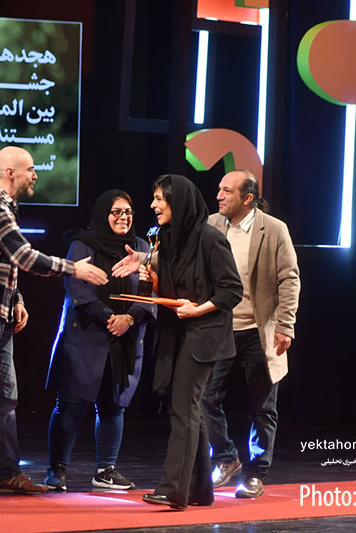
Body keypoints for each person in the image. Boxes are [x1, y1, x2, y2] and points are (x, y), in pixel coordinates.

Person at [0, 146, 108, 496]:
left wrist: (17, 299)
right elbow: (23, 255)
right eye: (30, 169)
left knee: (5, 396)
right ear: (11, 173)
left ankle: (6, 473)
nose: (35, 175)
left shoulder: (6, 206)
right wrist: (73, 268)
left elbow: (2, 262)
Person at [113, 174, 242, 510]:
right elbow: (174, 288)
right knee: (186, 408)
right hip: (177, 333)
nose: (153, 205)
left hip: (204, 335)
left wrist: (198, 308)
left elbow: (231, 290)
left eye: (160, 199)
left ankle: (172, 489)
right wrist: (151, 277)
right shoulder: (167, 240)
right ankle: (200, 490)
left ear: (178, 201)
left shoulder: (210, 239)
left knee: (184, 409)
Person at [44, 190, 156, 492]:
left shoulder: (142, 248)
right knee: (70, 405)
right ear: (103, 213)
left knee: (114, 406)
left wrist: (128, 318)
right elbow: (77, 288)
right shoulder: (82, 243)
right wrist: (110, 318)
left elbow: (150, 292)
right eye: (116, 211)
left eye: (128, 212)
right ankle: (57, 470)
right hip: (86, 337)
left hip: (125, 339)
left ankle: (106, 471)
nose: (123, 217)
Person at [203, 170, 300, 498]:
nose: (219, 196)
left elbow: (290, 278)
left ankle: (256, 472)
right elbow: (185, 260)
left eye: (226, 191)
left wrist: (285, 325)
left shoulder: (273, 229)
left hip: (260, 331)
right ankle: (226, 458)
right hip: (221, 329)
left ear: (247, 198)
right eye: (219, 190)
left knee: (262, 406)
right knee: (205, 398)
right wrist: (148, 260)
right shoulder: (211, 225)